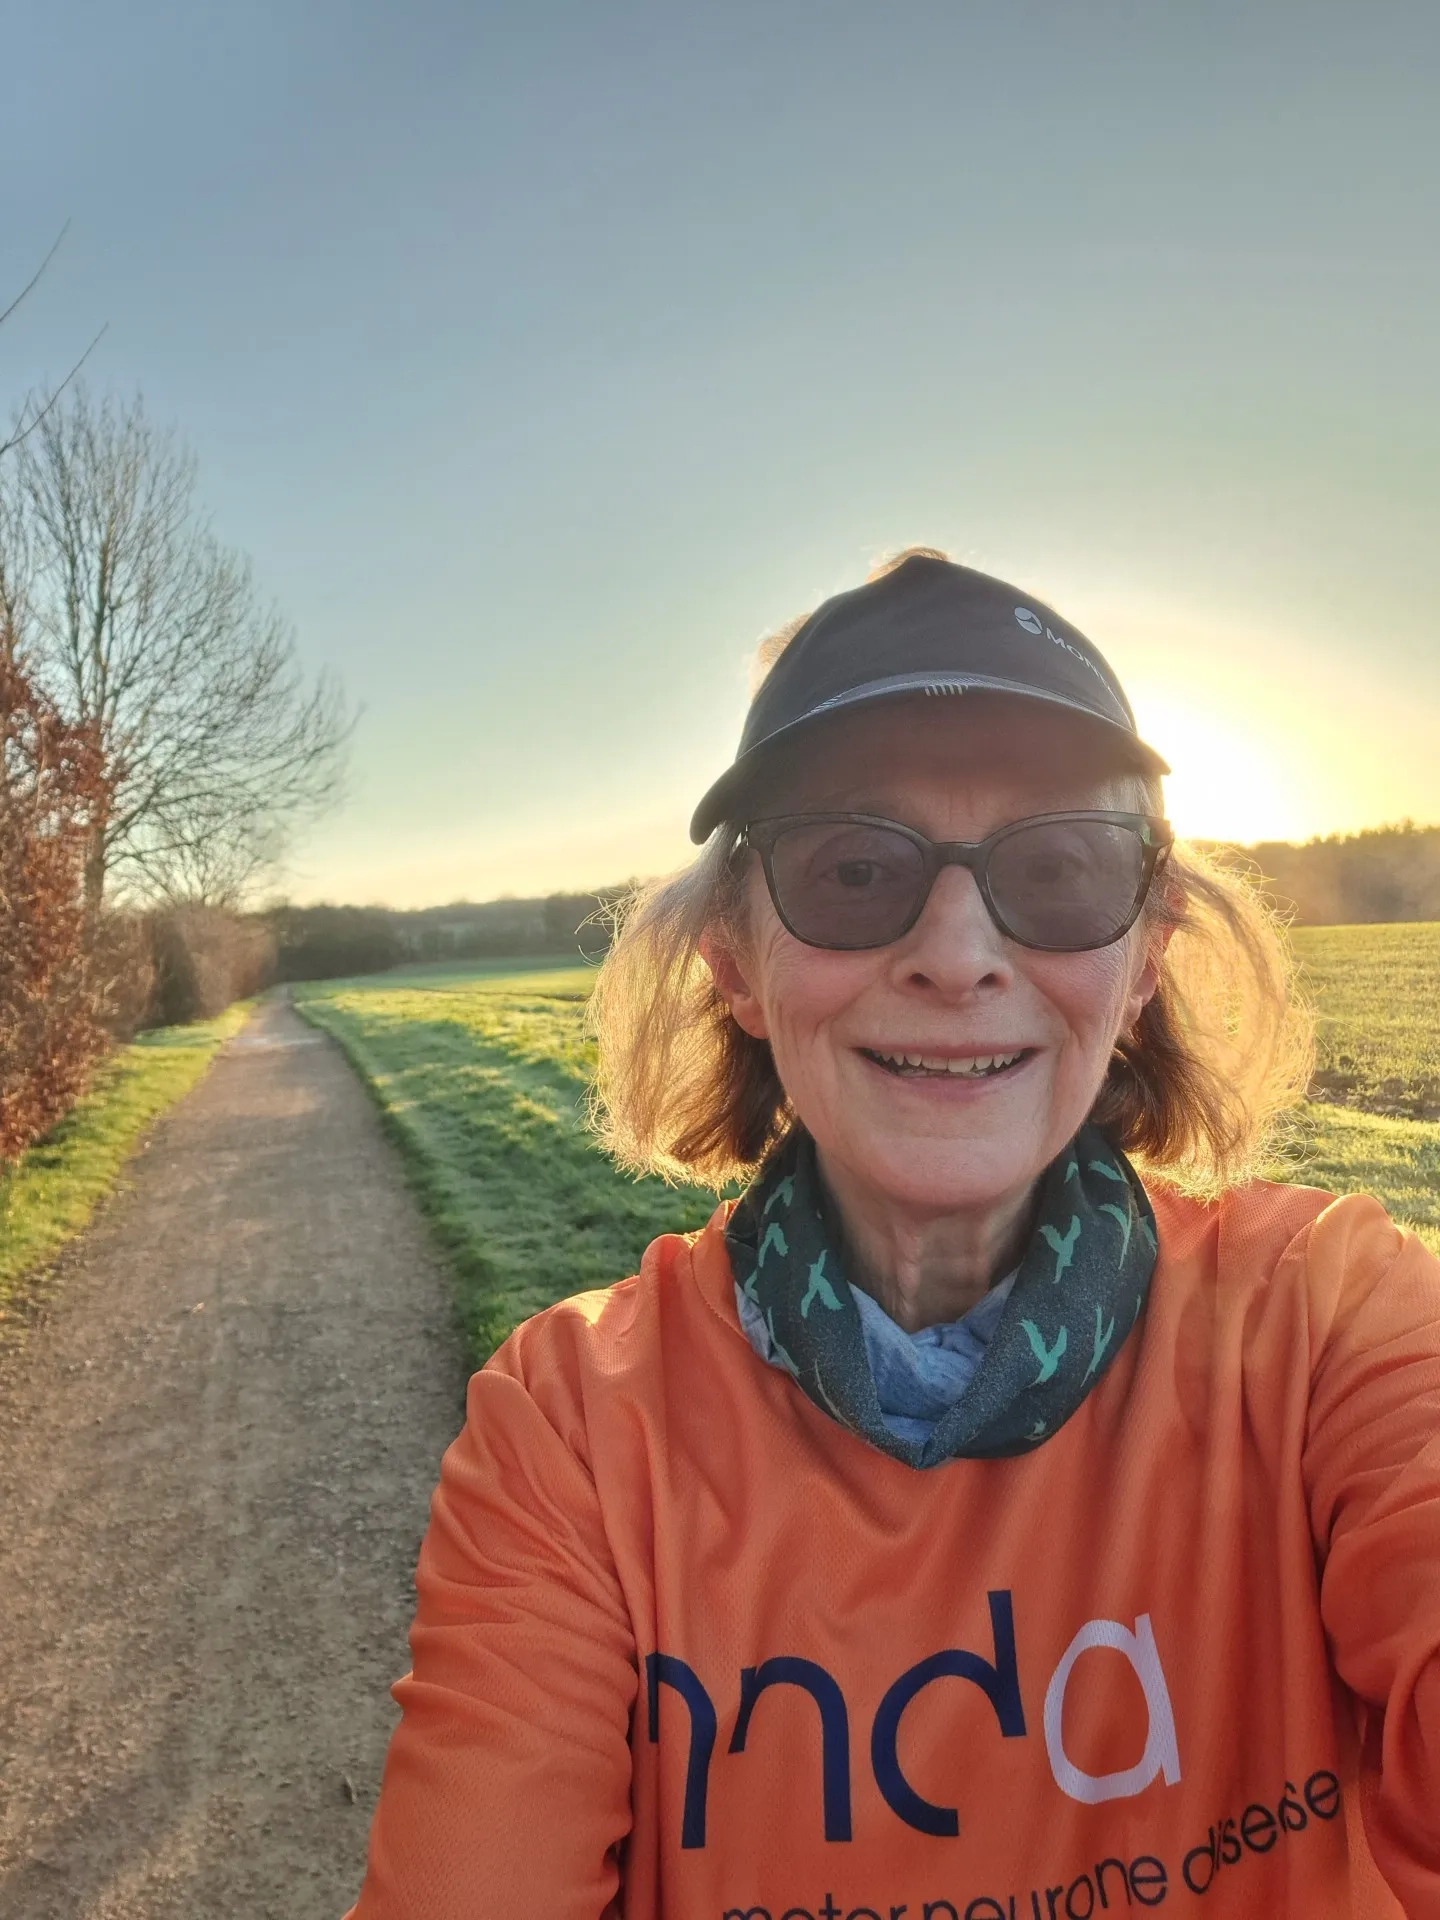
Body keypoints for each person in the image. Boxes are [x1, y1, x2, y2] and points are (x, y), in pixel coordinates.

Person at [346, 552, 1440, 1920]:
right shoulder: (572, 1440)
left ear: (1146, 957)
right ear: (734, 962)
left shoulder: (1332, 1331)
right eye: (857, 870)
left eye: (1055, 869)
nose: (957, 951)